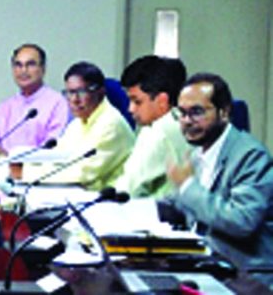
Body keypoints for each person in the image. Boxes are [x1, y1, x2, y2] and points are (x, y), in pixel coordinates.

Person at [165, 73, 273, 286]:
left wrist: (187, 186)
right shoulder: (198, 153)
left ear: (224, 112)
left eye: (196, 112)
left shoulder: (250, 156)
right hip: (204, 266)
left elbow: (241, 221)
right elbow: (183, 206)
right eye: (181, 113)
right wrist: (130, 211)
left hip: (244, 276)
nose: (186, 121)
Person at [23, 61, 134, 191]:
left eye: (81, 92)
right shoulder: (77, 124)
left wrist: (25, 174)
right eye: (70, 92)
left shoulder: (111, 124)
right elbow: (57, 158)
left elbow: (82, 173)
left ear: (100, 92)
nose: (74, 100)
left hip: (112, 202)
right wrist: (24, 166)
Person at [0, 44, 70, 163]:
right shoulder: (6, 106)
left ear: (43, 69)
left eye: (30, 64)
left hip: (36, 176)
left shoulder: (58, 103)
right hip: (0, 174)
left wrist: (7, 156)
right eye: (18, 65)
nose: (23, 70)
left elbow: (52, 150)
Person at [113, 55, 191, 198]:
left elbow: (127, 191)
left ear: (162, 101)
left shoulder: (158, 132)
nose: (130, 109)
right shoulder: (187, 121)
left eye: (137, 102)